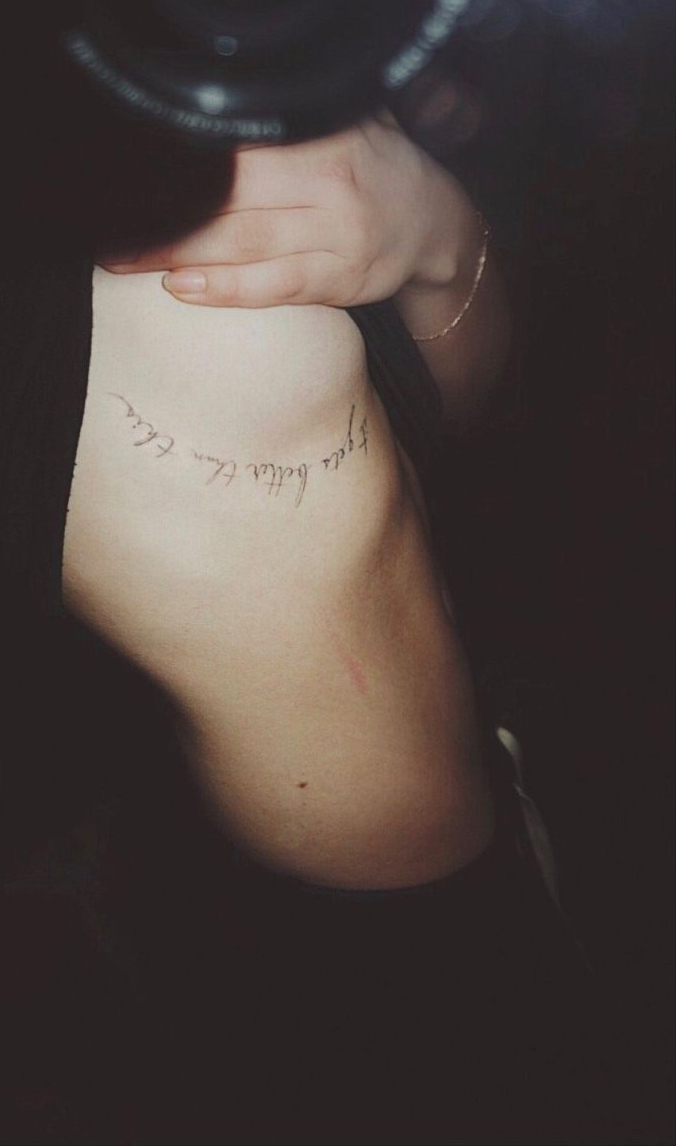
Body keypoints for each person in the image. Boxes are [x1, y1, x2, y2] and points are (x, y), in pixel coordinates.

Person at [42, 109, 619, 1145]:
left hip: (495, 719)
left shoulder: (302, 62)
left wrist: (440, 238)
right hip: (361, 949)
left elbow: (460, 417)